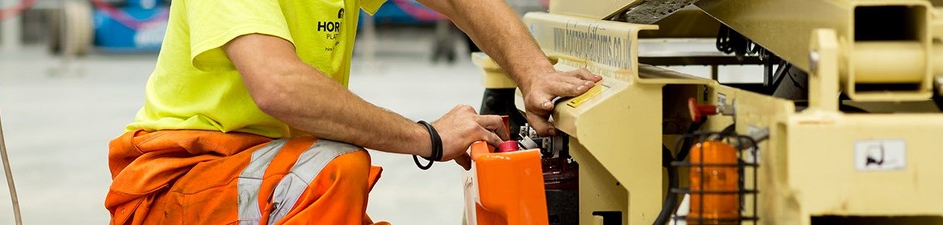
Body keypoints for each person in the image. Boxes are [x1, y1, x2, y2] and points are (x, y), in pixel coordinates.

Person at [104, 0, 601, 224]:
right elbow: (278, 86)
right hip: (183, 184)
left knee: (325, 171)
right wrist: (428, 137)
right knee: (334, 168)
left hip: (271, 182)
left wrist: (534, 73)